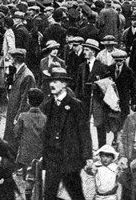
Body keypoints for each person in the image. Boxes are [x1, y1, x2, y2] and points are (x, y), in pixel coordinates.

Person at [42, 67, 92, 200]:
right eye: (51, 81)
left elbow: (84, 132)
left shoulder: (75, 105)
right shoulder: (47, 106)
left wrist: (87, 157)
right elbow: (45, 134)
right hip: (53, 159)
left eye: (56, 81)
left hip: (70, 159)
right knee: (49, 195)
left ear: (64, 84)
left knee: (76, 194)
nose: (52, 84)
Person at [4, 48, 36, 154]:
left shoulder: (27, 76)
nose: (9, 59)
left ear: (16, 59)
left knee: (16, 142)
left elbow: (25, 101)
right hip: (13, 111)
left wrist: (18, 117)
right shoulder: (17, 73)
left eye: (11, 58)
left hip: (18, 115)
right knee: (11, 141)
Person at [14, 88, 46, 175]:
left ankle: (25, 171)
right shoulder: (45, 118)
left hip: (25, 152)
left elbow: (16, 133)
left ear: (28, 101)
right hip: (39, 153)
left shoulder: (23, 116)